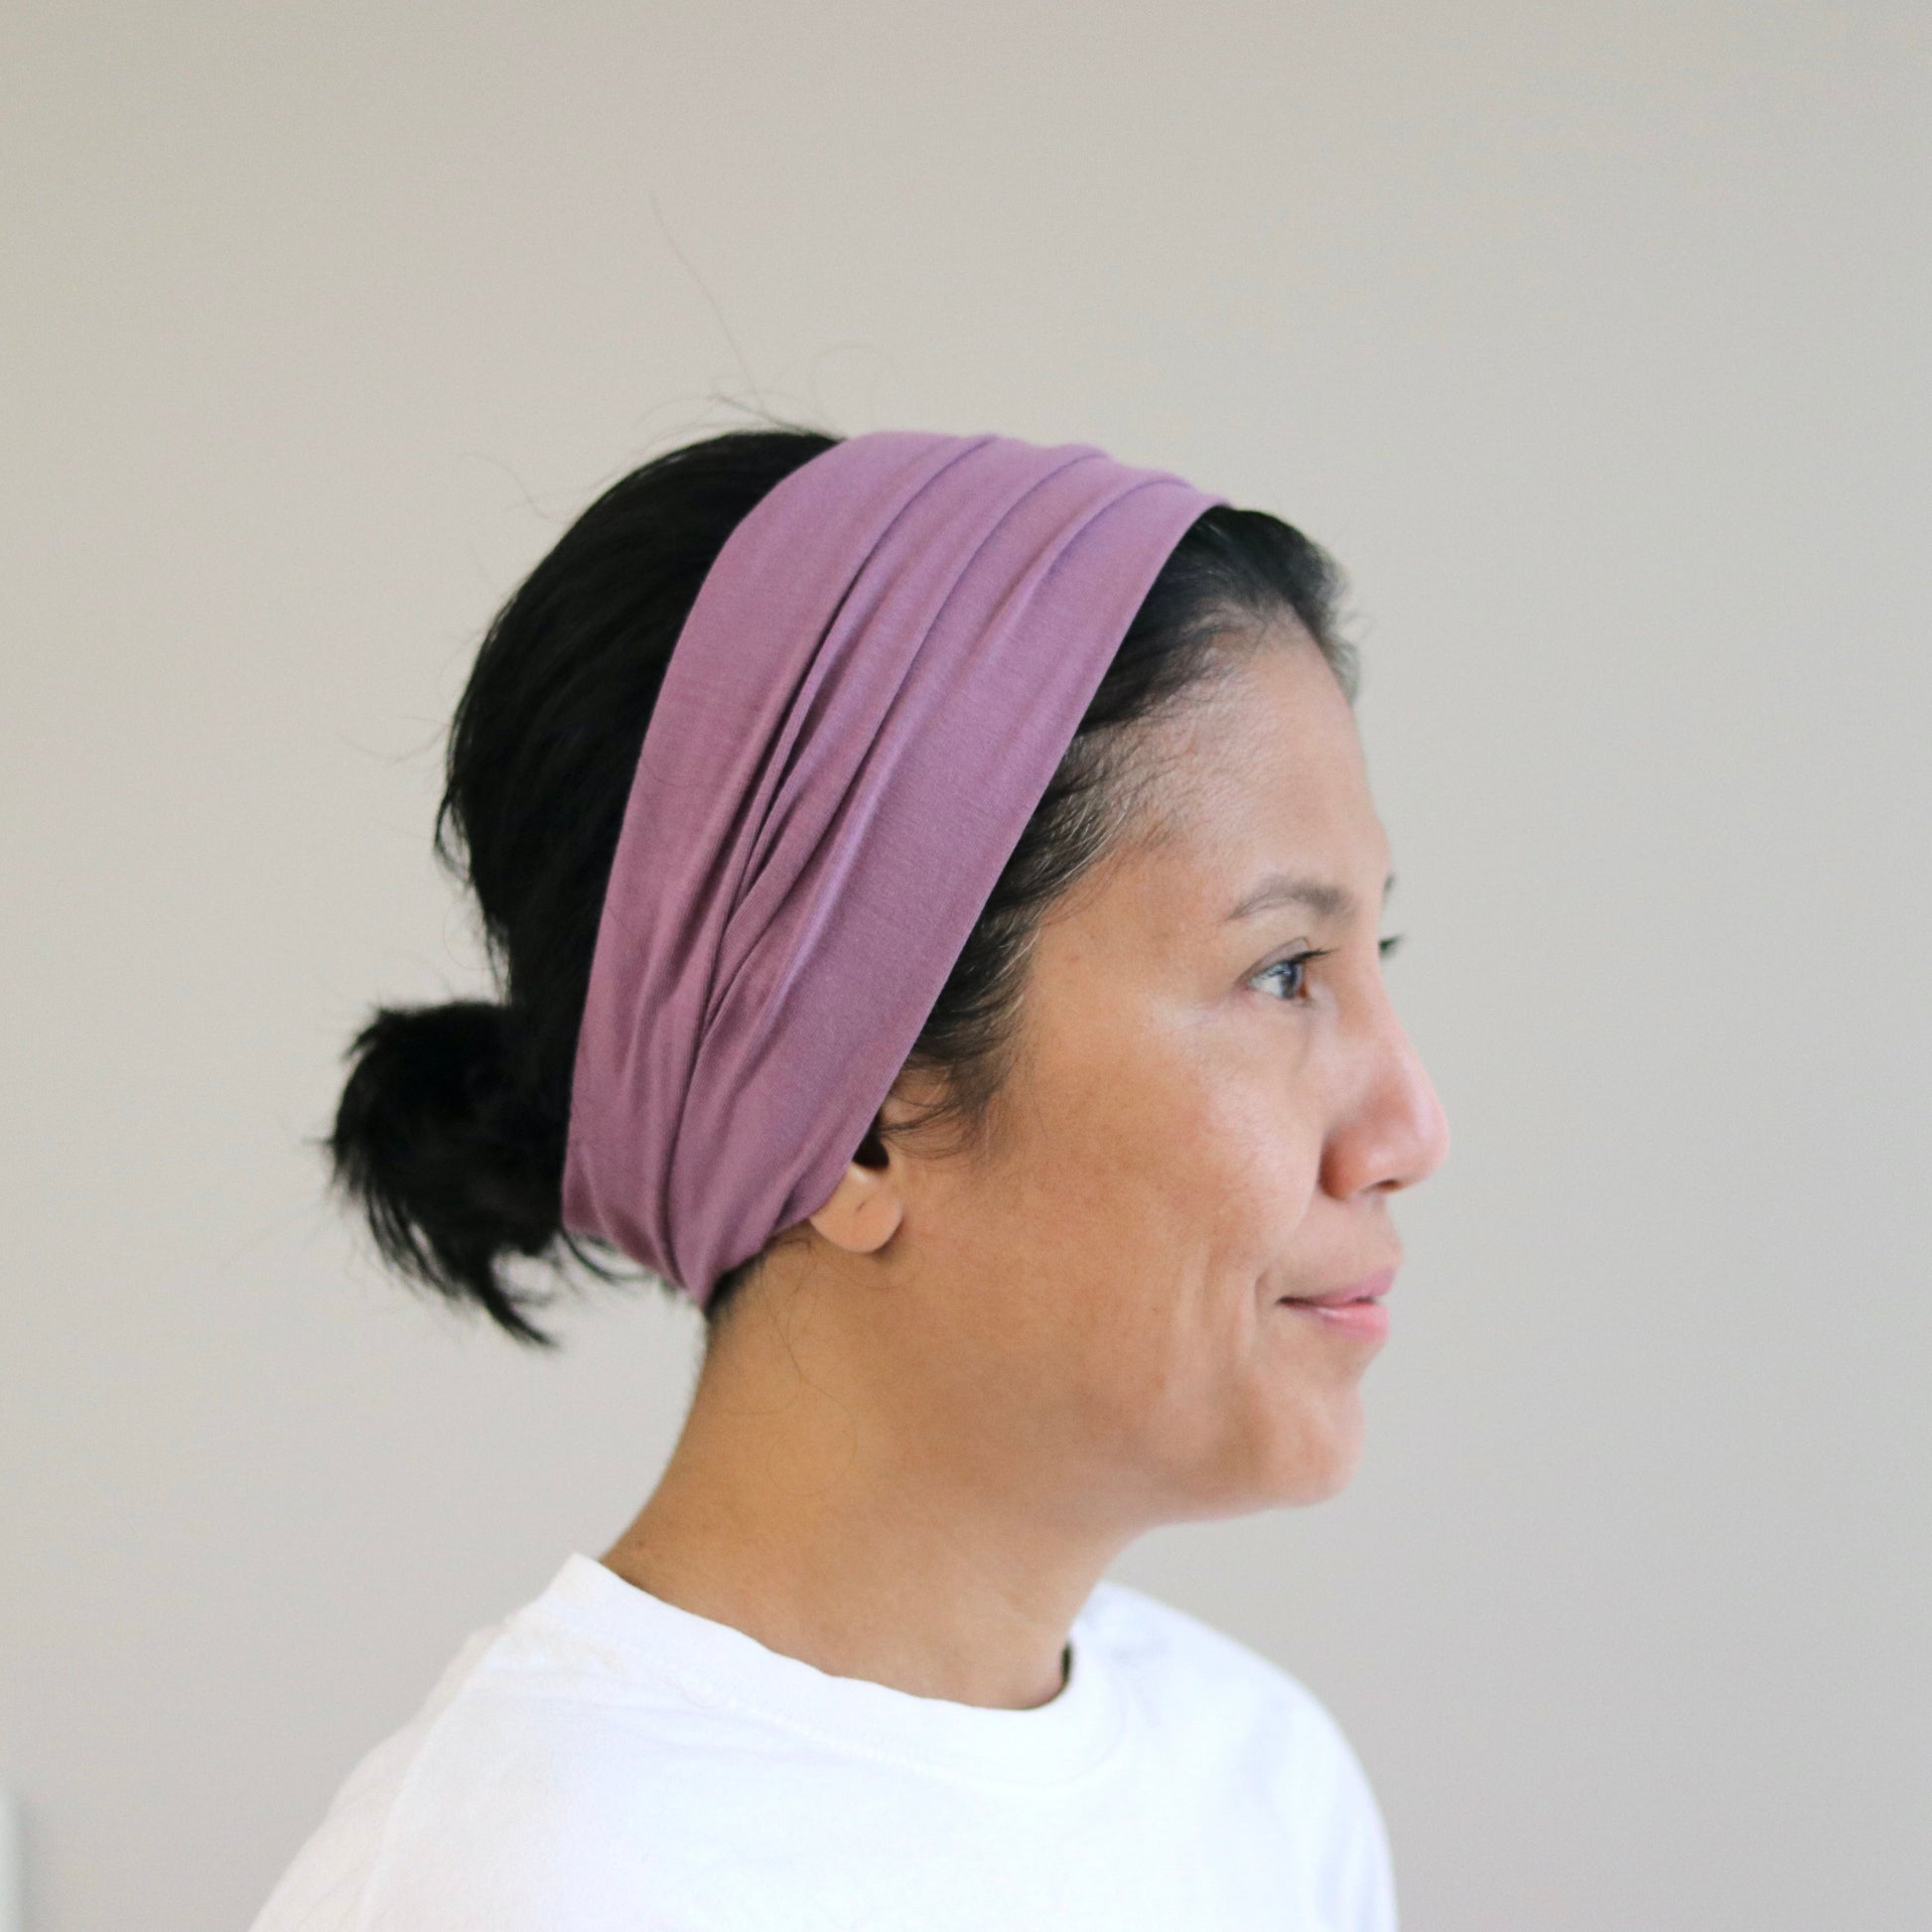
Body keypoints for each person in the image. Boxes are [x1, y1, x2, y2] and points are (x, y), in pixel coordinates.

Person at [249, 424, 1450, 1931]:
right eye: (1281, 970)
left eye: (1369, 955)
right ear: (858, 1113)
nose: (1408, 1125)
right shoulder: (521, 1884)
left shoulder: (1264, 1788)